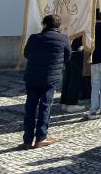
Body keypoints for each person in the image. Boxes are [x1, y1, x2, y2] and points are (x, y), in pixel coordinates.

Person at [22, 14, 71, 148]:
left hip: (32, 76)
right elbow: (67, 57)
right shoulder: (63, 38)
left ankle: (27, 140)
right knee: (45, 106)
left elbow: (26, 53)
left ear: (44, 24)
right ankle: (40, 138)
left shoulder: (34, 38)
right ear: (58, 25)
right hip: (50, 77)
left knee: (30, 107)